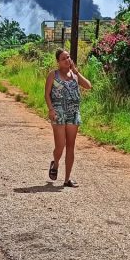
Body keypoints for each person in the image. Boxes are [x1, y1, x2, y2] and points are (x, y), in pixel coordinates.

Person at [45, 49, 92, 187]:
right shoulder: (53, 75)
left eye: (68, 57)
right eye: (63, 58)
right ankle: (56, 163)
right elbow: (47, 94)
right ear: (58, 62)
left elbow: (88, 86)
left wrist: (76, 71)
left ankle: (67, 179)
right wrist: (51, 109)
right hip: (58, 112)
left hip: (73, 112)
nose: (67, 60)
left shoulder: (75, 76)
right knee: (60, 146)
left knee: (71, 146)